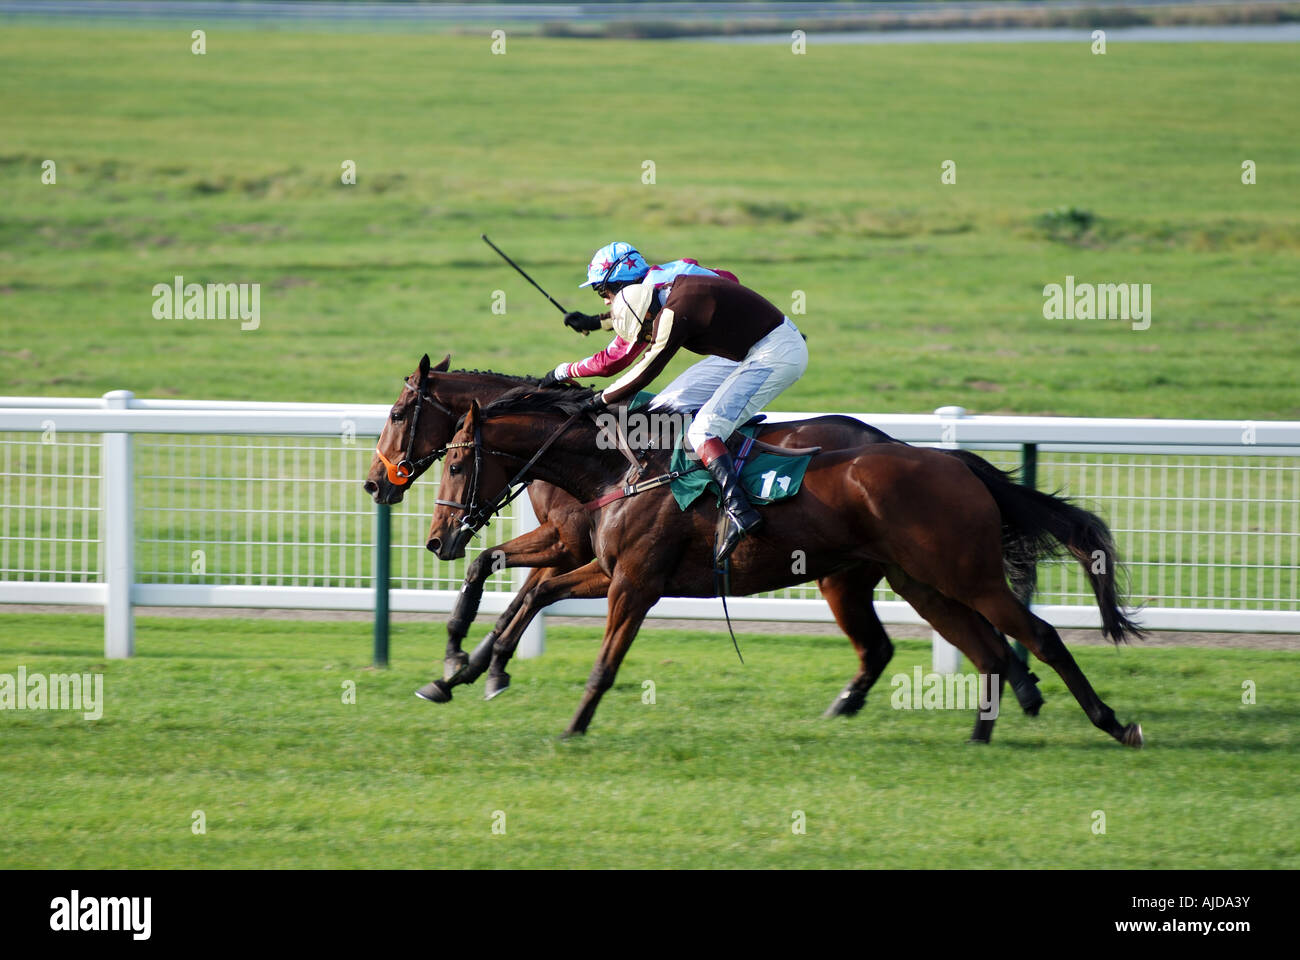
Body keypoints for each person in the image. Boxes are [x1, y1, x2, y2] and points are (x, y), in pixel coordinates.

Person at [543, 241, 809, 563]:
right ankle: (677, 487)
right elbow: (724, 281)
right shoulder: (670, 277)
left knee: (703, 431)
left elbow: (636, 366)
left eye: (605, 292)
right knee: (663, 409)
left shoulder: (674, 310)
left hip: (774, 355)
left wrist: (593, 394)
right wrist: (598, 321)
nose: (606, 300)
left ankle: (739, 509)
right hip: (743, 350)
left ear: (620, 282)